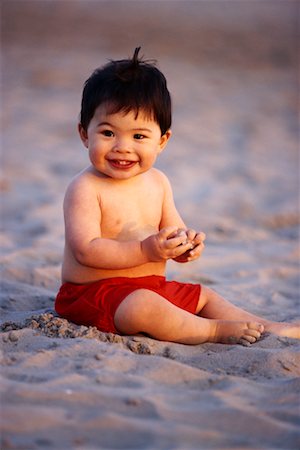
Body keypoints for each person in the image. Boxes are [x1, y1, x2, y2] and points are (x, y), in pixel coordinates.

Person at [55, 47, 299, 345]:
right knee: (143, 306)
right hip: (93, 293)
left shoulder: (158, 182)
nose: (122, 146)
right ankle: (212, 331)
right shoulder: (85, 188)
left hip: (152, 286)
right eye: (108, 133)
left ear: (162, 141)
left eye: (139, 136)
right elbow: (86, 250)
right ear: (84, 134)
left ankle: (263, 325)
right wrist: (146, 251)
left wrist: (185, 246)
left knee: (203, 296)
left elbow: (173, 231)